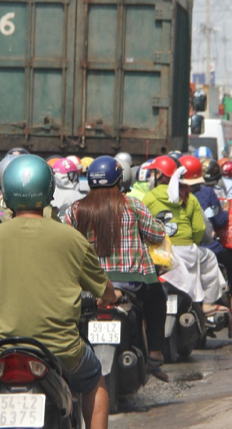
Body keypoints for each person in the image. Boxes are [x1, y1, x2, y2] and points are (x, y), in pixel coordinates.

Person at [0, 155, 118, 429]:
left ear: (7, 192)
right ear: (48, 191)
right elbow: (104, 290)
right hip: (62, 351)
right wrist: (109, 298)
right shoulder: (71, 238)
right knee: (95, 379)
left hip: (0, 351)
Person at [64, 156, 169, 380]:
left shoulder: (76, 210)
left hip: (89, 286)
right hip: (130, 284)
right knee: (158, 297)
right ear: (119, 181)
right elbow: (157, 235)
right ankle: (154, 354)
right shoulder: (133, 206)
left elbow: (66, 243)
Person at [142, 156, 226, 317]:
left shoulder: (150, 197)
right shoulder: (190, 198)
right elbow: (199, 229)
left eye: (154, 173)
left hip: (159, 253)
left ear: (159, 175)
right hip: (188, 251)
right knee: (210, 258)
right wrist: (192, 244)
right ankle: (208, 302)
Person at [182, 156, 232, 330]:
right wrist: (225, 212)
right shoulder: (205, 194)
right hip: (201, 247)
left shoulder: (165, 195)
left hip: (173, 251)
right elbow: (216, 221)